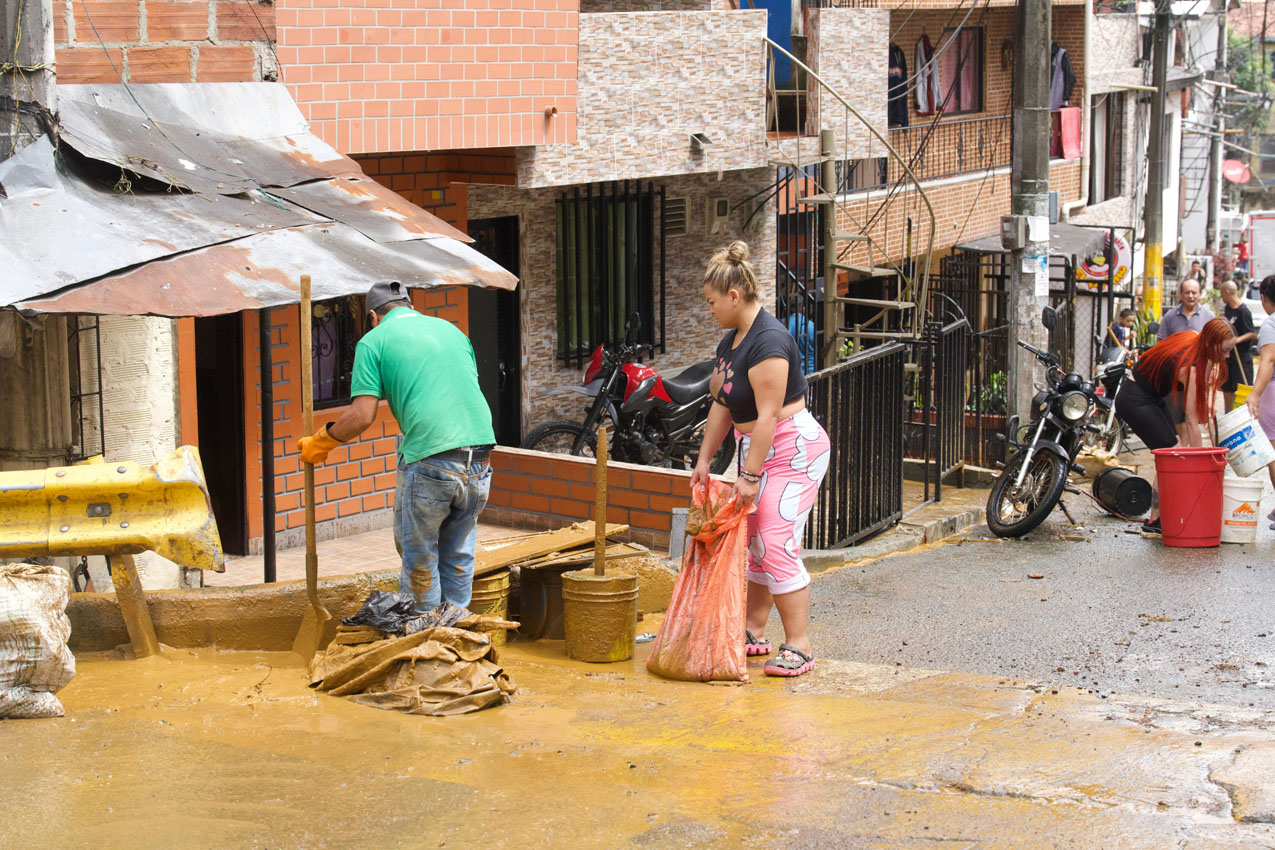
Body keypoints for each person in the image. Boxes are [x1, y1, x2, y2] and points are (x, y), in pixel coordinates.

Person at [297, 280, 495, 613]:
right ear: (410, 306)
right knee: (458, 553)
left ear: (373, 316)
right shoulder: (452, 332)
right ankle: (456, 636)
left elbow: (362, 416)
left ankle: (422, 638)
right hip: (480, 457)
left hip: (431, 459)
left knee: (420, 556)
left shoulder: (373, 341)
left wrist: (323, 440)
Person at [691, 241, 830, 678]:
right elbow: (721, 402)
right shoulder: (732, 340)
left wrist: (748, 474)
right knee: (752, 542)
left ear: (735, 296)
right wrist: (705, 459)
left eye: (713, 302)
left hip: (793, 449)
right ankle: (752, 630)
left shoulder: (769, 341)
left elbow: (768, 415)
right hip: (758, 448)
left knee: (773, 540)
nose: (709, 310)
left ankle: (800, 646)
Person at [1115, 318, 1234, 539]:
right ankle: (1154, 522)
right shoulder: (1191, 367)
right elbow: (1191, 421)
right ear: (1211, 344)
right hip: (1135, 399)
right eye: (1225, 351)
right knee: (1171, 454)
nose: (1226, 357)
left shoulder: (1193, 336)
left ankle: (1160, 517)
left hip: (1147, 393)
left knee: (1175, 448)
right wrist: (1202, 466)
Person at [1158, 278, 1216, 444]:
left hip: (1198, 375)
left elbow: (1213, 347)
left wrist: (1212, 370)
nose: (1190, 296)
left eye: (1194, 292)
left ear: (1200, 294)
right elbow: (1161, 344)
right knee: (1177, 419)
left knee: (1193, 418)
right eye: (1187, 292)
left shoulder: (1208, 317)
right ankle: (1184, 448)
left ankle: (1193, 454)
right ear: (1181, 294)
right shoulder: (1170, 317)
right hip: (1174, 376)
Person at [1244, 275, 1275, 528]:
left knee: (1273, 454)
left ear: (1264, 298)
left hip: (1274, 392)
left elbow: (1269, 360)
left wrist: (1255, 394)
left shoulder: (1270, 324)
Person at [1220, 280, 1258, 412]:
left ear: (1227, 292)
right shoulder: (1228, 309)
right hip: (1228, 357)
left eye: (1222, 294)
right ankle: (1228, 415)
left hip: (1241, 358)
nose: (1221, 297)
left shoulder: (1244, 311)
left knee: (1241, 391)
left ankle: (1241, 417)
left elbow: (1252, 333)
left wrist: (1236, 340)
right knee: (1227, 389)